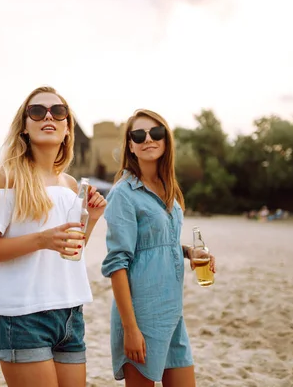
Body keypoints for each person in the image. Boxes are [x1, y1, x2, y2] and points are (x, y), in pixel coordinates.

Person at [0, 86, 106, 387]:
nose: (49, 116)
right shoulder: (7, 176)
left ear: (67, 127)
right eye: (37, 111)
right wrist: (41, 240)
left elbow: (72, 248)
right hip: (23, 317)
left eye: (58, 112)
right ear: (24, 127)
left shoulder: (71, 184)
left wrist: (92, 219)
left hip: (70, 314)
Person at [101, 109, 216, 387]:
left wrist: (190, 253)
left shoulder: (168, 188)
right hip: (141, 314)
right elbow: (117, 263)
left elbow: (157, 241)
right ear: (130, 145)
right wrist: (130, 329)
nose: (148, 139)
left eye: (156, 133)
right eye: (138, 135)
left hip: (173, 313)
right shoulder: (123, 194)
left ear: (166, 140)